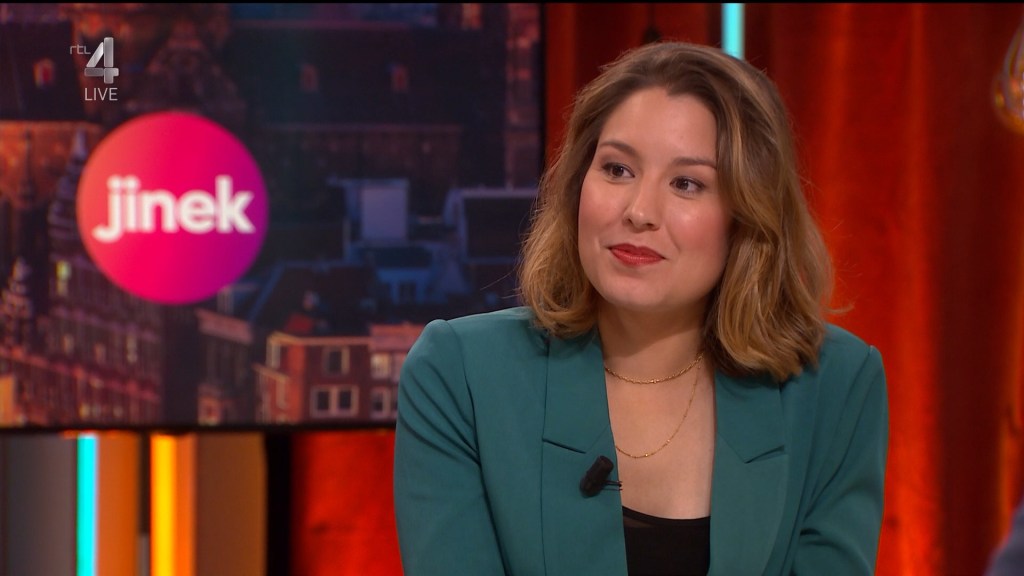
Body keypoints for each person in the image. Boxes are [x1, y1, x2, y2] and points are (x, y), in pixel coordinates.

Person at [393, 40, 889, 576]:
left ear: (747, 216)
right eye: (617, 169)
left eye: (686, 183)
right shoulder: (460, 376)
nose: (639, 211)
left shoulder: (835, 388)